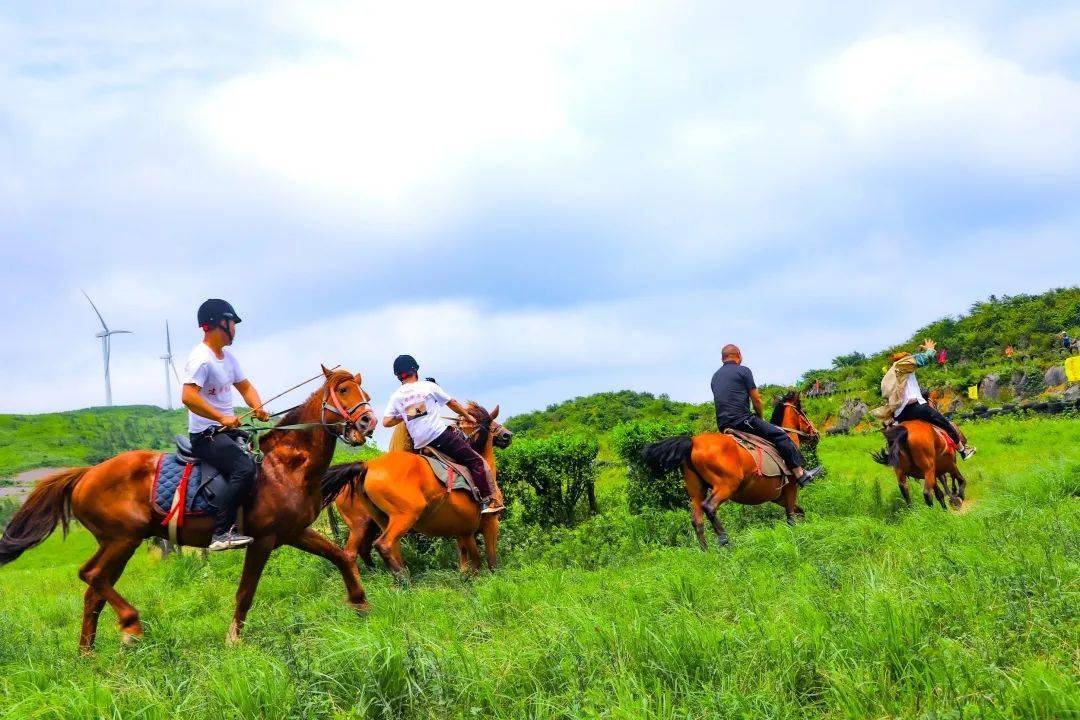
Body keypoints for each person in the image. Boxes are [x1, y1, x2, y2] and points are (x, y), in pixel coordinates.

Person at [181, 299, 269, 551]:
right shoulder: (201, 359)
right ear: (220, 323)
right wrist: (220, 418)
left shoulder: (228, 358)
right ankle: (220, 533)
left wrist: (258, 406)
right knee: (244, 468)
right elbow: (188, 396)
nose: (235, 328)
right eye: (233, 322)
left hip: (225, 431)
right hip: (205, 436)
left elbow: (246, 387)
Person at [382, 355, 504, 514]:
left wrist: (405, 414)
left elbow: (386, 422)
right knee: (476, 461)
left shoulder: (396, 396)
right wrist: (468, 417)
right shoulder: (428, 387)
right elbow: (452, 403)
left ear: (398, 376)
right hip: (439, 437)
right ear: (415, 371)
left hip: (421, 444)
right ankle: (488, 502)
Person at [710, 345, 822, 487]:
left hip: (723, 425)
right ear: (739, 355)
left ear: (722, 358)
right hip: (742, 420)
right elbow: (756, 399)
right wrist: (760, 418)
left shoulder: (715, 376)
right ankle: (800, 474)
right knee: (781, 435)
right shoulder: (743, 371)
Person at [879, 338, 976, 460]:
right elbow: (921, 359)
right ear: (905, 359)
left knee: (894, 438)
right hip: (916, 408)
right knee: (945, 424)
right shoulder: (902, 365)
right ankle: (963, 450)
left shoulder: (889, 375)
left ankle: (892, 458)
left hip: (899, 415)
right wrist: (930, 350)